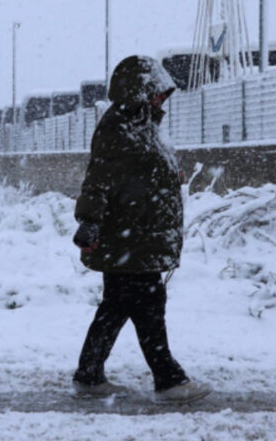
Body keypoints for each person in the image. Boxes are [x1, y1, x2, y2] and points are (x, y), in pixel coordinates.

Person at [71, 55, 211, 404]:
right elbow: (99, 179)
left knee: (116, 307)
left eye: (163, 93)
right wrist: (90, 222)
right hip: (127, 236)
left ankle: (89, 375)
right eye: (156, 92)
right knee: (149, 305)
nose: (161, 99)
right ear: (138, 90)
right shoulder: (118, 127)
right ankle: (169, 379)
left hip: (139, 235)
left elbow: (138, 173)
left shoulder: (142, 124)